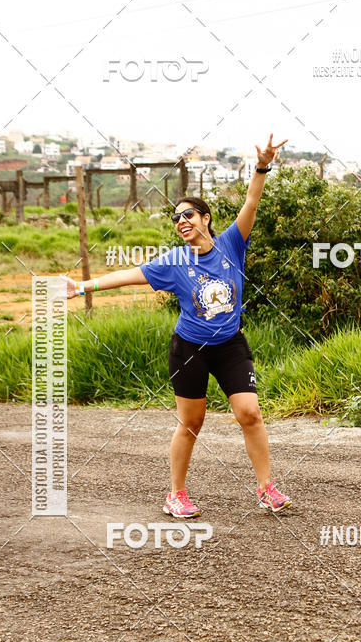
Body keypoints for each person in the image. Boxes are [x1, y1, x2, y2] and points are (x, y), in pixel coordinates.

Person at [62, 133, 291, 518]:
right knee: (191, 421)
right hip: (189, 349)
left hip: (231, 345)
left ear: (206, 218)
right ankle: (176, 495)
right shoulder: (173, 261)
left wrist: (263, 165)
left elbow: (252, 200)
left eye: (188, 214)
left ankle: (266, 488)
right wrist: (82, 286)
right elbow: (128, 275)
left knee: (249, 412)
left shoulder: (233, 243)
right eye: (176, 218)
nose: (181, 221)